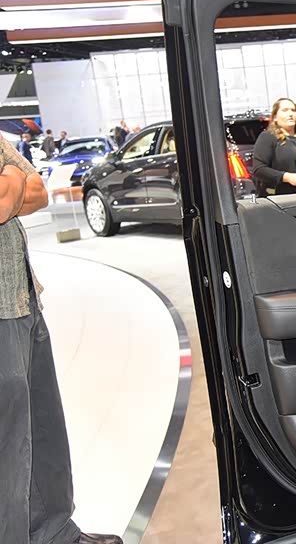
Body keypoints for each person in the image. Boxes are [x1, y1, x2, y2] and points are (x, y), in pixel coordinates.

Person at [0, 136, 123, 544]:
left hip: (20, 296)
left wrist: (14, 181)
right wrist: (13, 176)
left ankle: (54, 533)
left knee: (43, 426)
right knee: (7, 444)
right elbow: (4, 200)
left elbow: (38, 191)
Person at [252, 97, 296, 196]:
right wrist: (286, 177)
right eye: (285, 110)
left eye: (293, 110)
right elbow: (259, 169)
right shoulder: (268, 137)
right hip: (282, 197)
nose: (290, 114)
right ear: (275, 117)